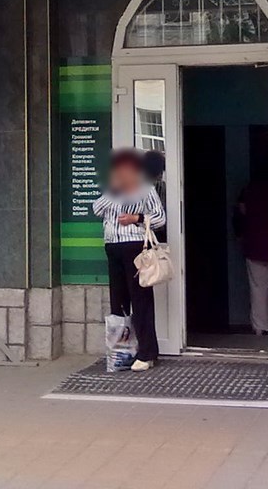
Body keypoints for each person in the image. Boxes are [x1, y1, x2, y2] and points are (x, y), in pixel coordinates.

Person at [93, 149, 166, 371]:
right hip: (113, 247)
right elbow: (97, 209)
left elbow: (160, 218)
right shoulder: (112, 191)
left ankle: (147, 353)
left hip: (135, 247)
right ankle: (122, 352)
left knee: (140, 299)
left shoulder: (145, 189)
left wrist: (137, 218)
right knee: (119, 301)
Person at [234, 163, 268, 335]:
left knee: (258, 288)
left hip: (254, 245)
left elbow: (240, 215)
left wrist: (240, 236)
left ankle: (260, 327)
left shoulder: (248, 191)